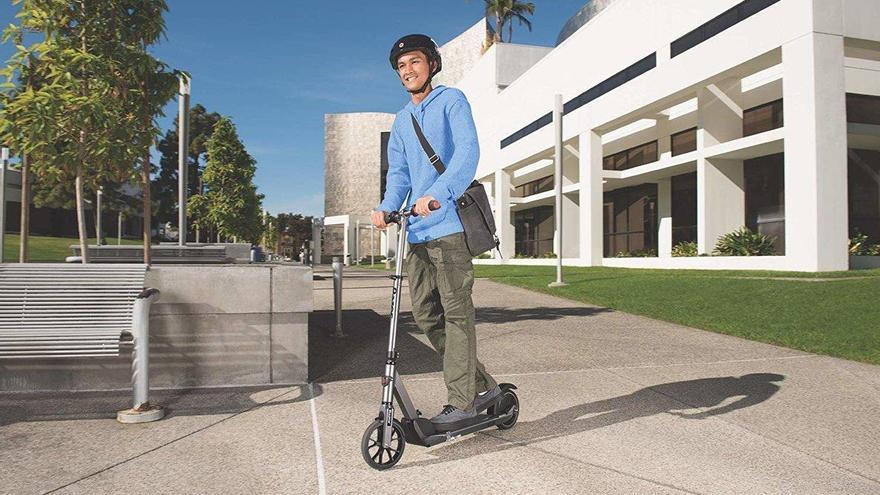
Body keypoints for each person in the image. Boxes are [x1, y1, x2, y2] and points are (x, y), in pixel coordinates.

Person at [371, 34, 500, 427]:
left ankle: (462, 402)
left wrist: (437, 194)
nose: (407, 71)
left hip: (448, 227)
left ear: (431, 64)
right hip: (418, 233)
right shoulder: (401, 120)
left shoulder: (451, 101)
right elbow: (399, 173)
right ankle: (484, 387)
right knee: (428, 317)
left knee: (458, 314)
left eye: (414, 62)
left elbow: (467, 153)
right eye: (401, 66)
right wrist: (386, 206)